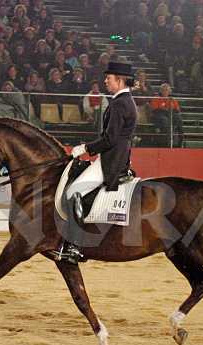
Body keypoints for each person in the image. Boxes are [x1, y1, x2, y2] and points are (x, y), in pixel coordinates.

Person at [59, 61, 138, 264]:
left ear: (120, 80)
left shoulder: (120, 104)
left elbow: (110, 139)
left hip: (111, 161)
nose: (105, 81)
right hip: (116, 157)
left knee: (73, 193)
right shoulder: (125, 101)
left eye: (108, 78)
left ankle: (74, 246)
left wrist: (85, 148)